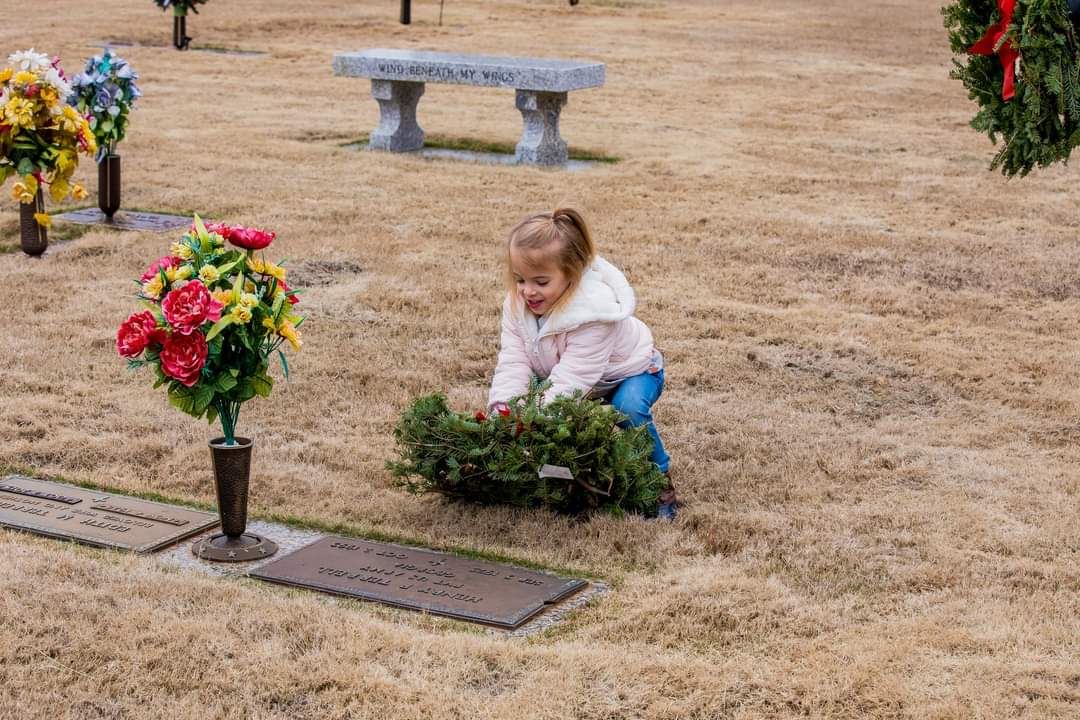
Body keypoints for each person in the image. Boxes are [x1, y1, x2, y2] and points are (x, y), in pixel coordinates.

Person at [487, 208, 678, 519]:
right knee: (538, 405)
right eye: (519, 279)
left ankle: (659, 484)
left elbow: (573, 380)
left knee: (627, 408)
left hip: (631, 372)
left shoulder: (594, 316)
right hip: (571, 374)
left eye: (541, 281)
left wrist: (532, 420)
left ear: (572, 275)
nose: (527, 290)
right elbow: (514, 360)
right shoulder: (518, 304)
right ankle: (560, 482)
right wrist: (506, 411)